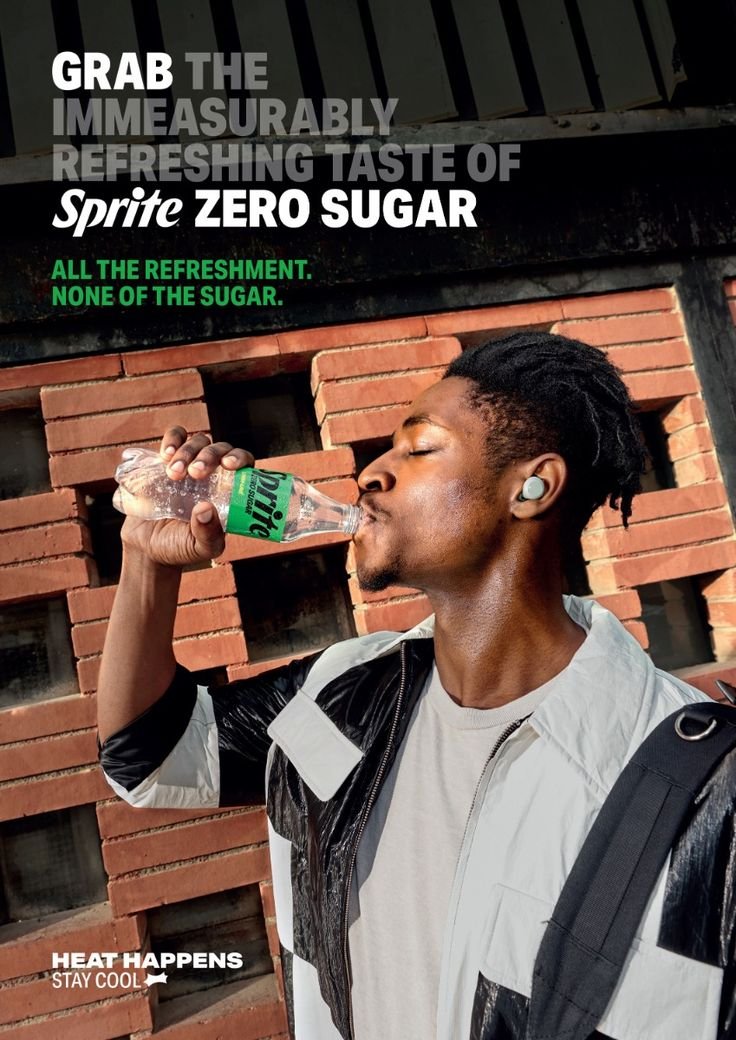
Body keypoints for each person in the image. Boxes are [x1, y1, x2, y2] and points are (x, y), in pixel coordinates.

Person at [98, 331, 734, 1040]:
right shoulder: (343, 694)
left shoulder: (703, 786)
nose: (372, 473)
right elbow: (146, 761)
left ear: (533, 486)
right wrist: (147, 563)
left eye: (420, 448)